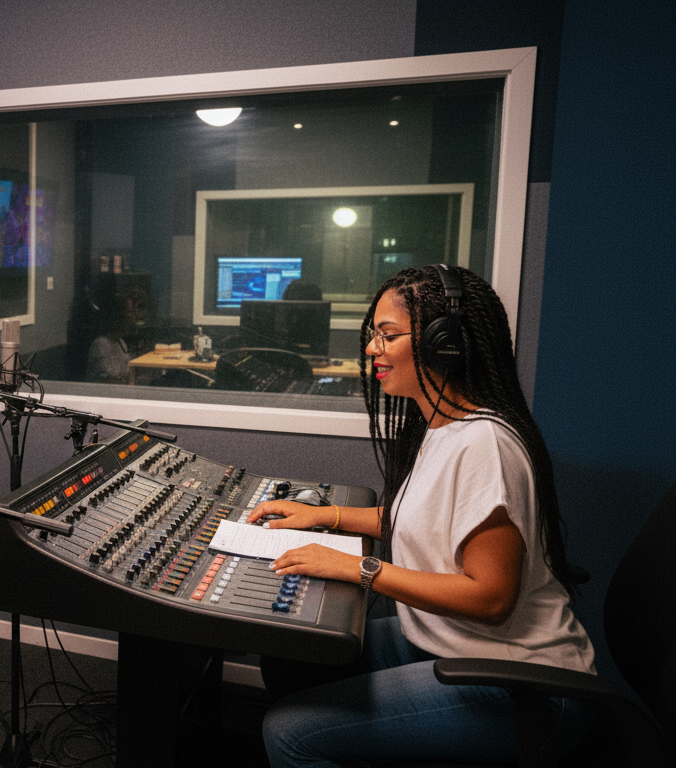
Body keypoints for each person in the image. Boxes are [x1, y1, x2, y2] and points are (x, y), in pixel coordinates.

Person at [247, 265, 595, 767]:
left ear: (444, 344)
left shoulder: (484, 444)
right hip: (452, 641)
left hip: (523, 685)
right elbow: (424, 520)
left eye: (387, 335)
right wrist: (327, 516)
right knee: (297, 653)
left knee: (289, 733)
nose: (372, 349)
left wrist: (358, 567)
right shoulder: (445, 426)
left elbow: (491, 598)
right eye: (373, 335)